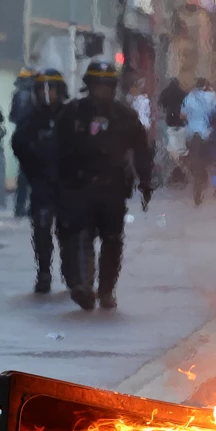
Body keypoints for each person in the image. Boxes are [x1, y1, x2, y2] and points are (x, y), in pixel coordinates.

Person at [55, 61, 154, 310]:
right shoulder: (73, 113)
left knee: (112, 240)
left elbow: (141, 150)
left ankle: (106, 289)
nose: (102, 90)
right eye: (97, 85)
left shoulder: (125, 116)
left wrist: (145, 181)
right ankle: (84, 286)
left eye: (107, 85)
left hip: (113, 188)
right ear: (89, 86)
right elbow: (56, 148)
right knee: (82, 236)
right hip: (80, 186)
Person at [11, 69, 69, 294]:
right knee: (42, 226)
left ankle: (70, 270)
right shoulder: (30, 117)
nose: (47, 94)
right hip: (41, 181)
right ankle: (44, 272)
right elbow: (19, 144)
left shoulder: (70, 114)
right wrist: (33, 169)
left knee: (68, 229)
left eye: (51, 89)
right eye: (42, 89)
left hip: (67, 182)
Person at [182, 78, 216, 204]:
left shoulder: (190, 97)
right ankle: (203, 180)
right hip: (206, 134)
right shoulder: (212, 96)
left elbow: (183, 115)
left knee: (195, 160)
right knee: (204, 160)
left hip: (192, 134)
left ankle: (198, 182)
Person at [8, 66, 39, 217]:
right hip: (34, 138)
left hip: (22, 138)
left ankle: (19, 207)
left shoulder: (17, 95)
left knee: (23, 174)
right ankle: (31, 207)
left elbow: (12, 117)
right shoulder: (36, 95)